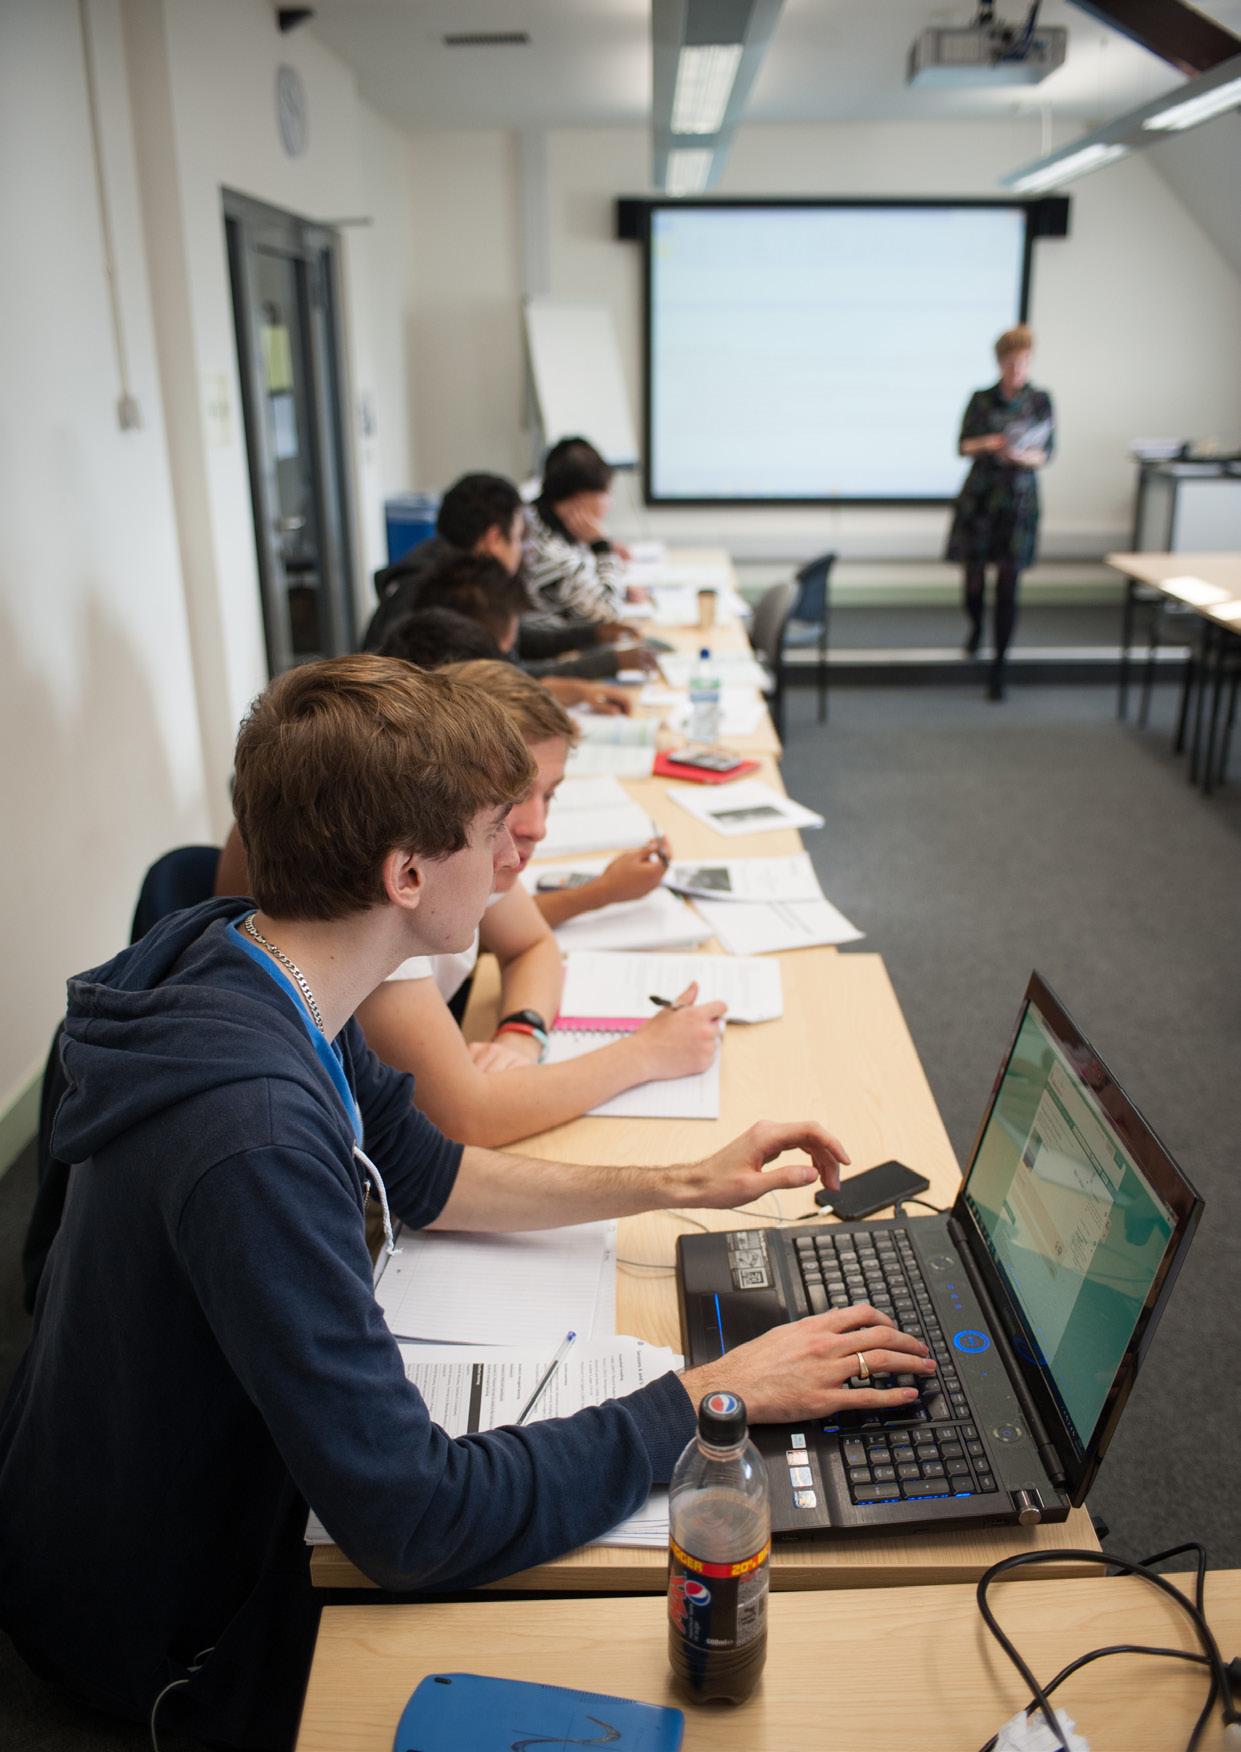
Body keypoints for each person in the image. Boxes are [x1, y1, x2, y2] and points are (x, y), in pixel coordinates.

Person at [0, 656, 933, 1750]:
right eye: (492, 832)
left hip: (170, 1489)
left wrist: (683, 1182)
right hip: (169, 1625)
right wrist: (709, 1400)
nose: (507, 861)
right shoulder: (253, 1135)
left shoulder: (259, 961)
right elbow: (413, 1518)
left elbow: (428, 1175)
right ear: (404, 874)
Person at [356, 660, 700, 1146]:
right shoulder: (389, 905)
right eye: (514, 800)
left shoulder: (476, 855)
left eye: (550, 796)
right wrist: (647, 1053)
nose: (537, 827)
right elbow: (467, 1119)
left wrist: (521, 1032)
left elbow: (531, 944)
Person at [364, 470, 640, 680]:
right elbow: (505, 679)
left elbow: (514, 645)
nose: (524, 551)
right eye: (519, 538)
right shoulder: (443, 595)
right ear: (494, 539)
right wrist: (608, 662)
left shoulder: (453, 570)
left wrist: (594, 634)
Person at [946, 324, 1055, 701]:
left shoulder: (1040, 400)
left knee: (1008, 585)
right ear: (999, 362)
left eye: (1023, 362)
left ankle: (999, 668)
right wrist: (991, 443)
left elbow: (1047, 452)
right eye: (1010, 363)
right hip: (980, 498)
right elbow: (962, 445)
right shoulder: (981, 399)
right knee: (973, 581)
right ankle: (976, 627)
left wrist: (1022, 456)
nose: (1017, 370)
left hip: (1018, 501)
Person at [525, 437, 648, 625]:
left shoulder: (533, 518)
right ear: (580, 498)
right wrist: (602, 547)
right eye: (605, 493)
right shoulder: (553, 553)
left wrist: (619, 589)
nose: (609, 504)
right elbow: (609, 613)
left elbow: (581, 585)